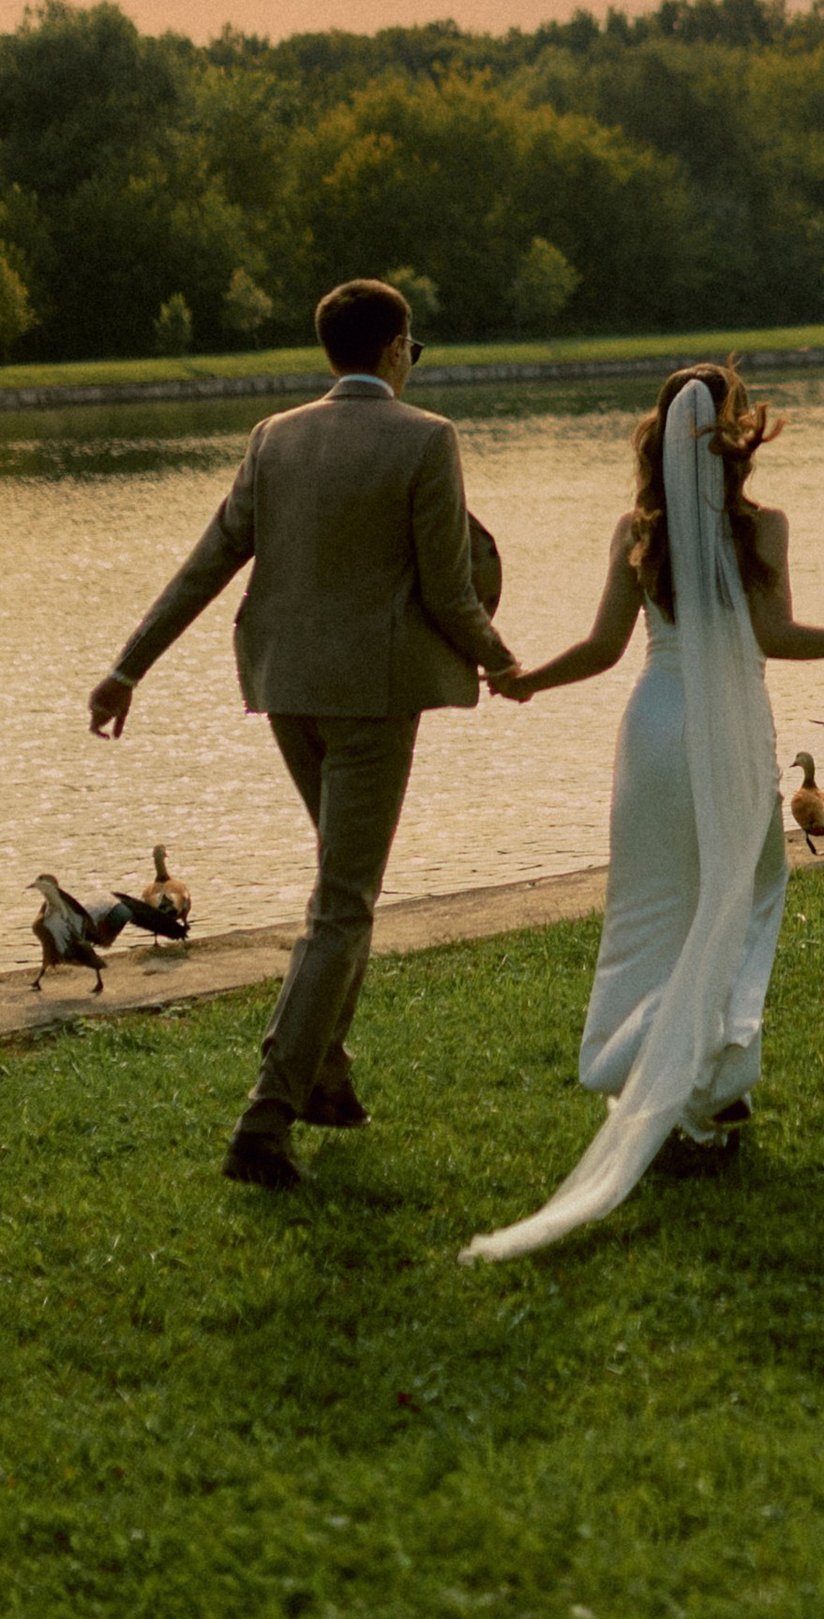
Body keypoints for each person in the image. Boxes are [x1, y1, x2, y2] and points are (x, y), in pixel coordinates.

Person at [462, 362, 824, 1263]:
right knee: (740, 899)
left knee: (654, 913)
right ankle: (706, 1092)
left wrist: (526, 682)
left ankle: (654, 1078)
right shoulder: (763, 527)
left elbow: (600, 648)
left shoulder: (641, 531)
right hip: (734, 725)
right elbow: (774, 640)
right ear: (736, 432)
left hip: (658, 726)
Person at [87, 276, 522, 1188]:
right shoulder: (428, 439)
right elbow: (447, 589)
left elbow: (207, 563)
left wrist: (129, 667)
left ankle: (326, 1075)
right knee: (344, 902)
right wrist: (503, 661)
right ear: (397, 347)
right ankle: (265, 1117)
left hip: (284, 691)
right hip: (373, 701)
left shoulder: (275, 438)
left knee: (340, 882)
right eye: (414, 347)